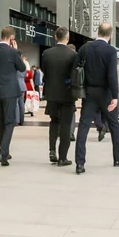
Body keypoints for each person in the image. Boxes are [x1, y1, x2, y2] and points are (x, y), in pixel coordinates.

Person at [74, 23, 119, 175]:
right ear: (110, 35)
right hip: (105, 93)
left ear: (97, 32)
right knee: (113, 124)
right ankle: (117, 158)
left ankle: (80, 163)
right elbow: (112, 75)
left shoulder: (85, 48)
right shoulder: (111, 51)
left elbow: (76, 67)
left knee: (84, 126)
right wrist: (115, 97)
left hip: (89, 93)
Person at [0, 27, 27, 166]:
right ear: (11, 38)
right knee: (10, 123)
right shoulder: (13, 52)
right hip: (10, 92)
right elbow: (22, 68)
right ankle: (3, 153)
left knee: (1, 123)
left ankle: (5, 151)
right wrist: (17, 51)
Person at [42, 26, 76, 166]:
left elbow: (46, 73)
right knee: (66, 125)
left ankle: (52, 151)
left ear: (55, 37)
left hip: (51, 94)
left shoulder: (47, 53)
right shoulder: (73, 55)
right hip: (67, 94)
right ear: (67, 38)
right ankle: (63, 157)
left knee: (54, 122)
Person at [15, 50, 28, 126]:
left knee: (16, 103)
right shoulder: (23, 64)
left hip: (16, 85)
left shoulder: (15, 64)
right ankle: (22, 120)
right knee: (21, 103)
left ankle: (16, 120)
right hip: (22, 85)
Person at [68, 44, 78, 141]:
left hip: (60, 88)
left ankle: (61, 131)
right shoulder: (77, 59)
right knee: (71, 110)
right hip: (72, 88)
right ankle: (70, 132)